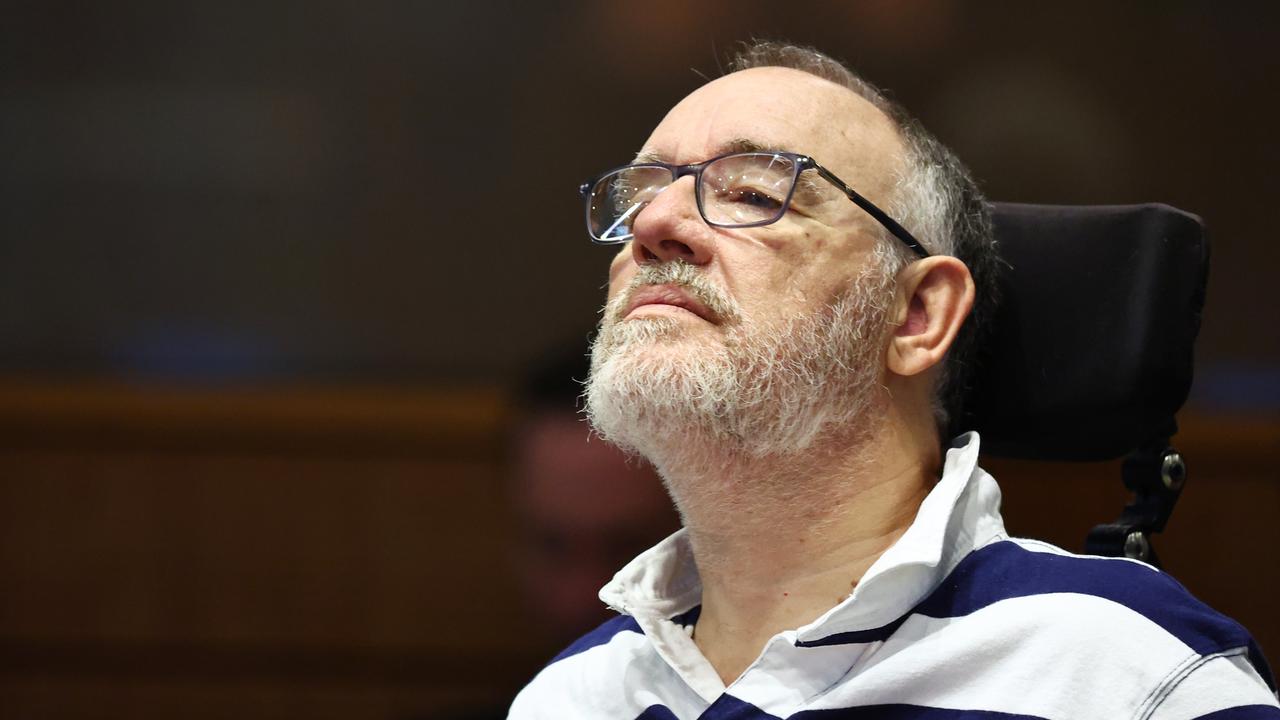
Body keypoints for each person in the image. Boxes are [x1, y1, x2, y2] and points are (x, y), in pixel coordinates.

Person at [508, 41, 1278, 719]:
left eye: (750, 193)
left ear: (916, 315)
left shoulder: (1133, 678)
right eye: (641, 195)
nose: (651, 226)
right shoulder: (572, 697)